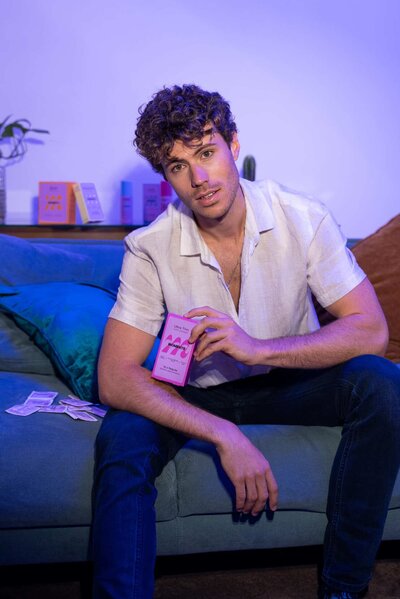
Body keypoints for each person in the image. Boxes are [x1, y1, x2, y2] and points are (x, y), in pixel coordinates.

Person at [91, 84, 400, 599]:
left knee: (384, 382)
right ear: (167, 177)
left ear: (234, 147)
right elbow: (114, 376)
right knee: (122, 433)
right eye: (177, 166)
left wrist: (257, 347)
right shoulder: (148, 248)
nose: (198, 178)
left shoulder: (303, 218)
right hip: (198, 393)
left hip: (290, 382)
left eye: (207, 153)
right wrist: (224, 435)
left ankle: (345, 588)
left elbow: (371, 330)